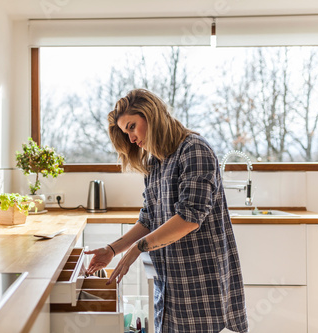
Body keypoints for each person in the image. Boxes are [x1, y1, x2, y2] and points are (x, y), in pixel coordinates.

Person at [85, 89, 248, 333]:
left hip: (202, 287)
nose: (130, 138)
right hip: (172, 285)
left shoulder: (194, 150)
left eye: (132, 127)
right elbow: (148, 219)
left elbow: (188, 219)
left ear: (151, 115)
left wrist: (135, 250)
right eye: (125, 132)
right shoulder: (155, 163)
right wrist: (113, 250)